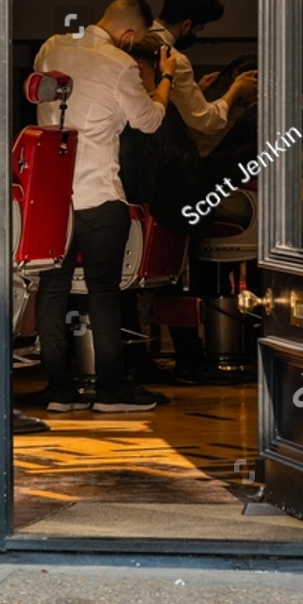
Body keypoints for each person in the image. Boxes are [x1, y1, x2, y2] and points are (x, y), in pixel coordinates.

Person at [31, 0, 177, 413]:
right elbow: (148, 121)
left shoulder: (50, 48)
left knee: (52, 289)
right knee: (103, 293)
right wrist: (164, 80)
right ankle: (110, 392)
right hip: (98, 193)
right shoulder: (119, 63)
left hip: (53, 194)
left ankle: (58, 390)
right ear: (129, 34)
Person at [119, 32, 211, 384]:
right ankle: (188, 357)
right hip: (170, 219)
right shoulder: (154, 112)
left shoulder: (136, 113)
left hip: (145, 219)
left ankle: (132, 357)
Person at [153, 0, 258, 157]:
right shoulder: (175, 59)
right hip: (158, 151)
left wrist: (196, 92)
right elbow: (204, 122)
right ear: (186, 25)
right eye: (198, 30)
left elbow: (161, 99)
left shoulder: (135, 38)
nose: (196, 35)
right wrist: (235, 90)